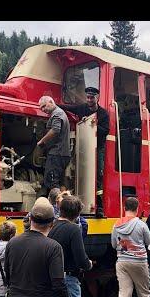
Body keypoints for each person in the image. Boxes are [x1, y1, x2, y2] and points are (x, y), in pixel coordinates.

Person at [59, 87, 110, 218]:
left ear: (97, 98)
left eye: (91, 97)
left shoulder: (104, 114)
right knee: (80, 173)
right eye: (87, 97)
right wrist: (55, 105)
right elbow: (69, 108)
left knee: (98, 176)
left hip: (98, 149)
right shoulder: (82, 108)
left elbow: (106, 131)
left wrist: (94, 125)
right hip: (83, 146)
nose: (89, 100)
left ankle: (99, 207)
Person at [111, 196, 150, 297]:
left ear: (124, 208)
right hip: (139, 262)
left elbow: (114, 245)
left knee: (124, 295)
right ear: (137, 209)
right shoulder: (141, 225)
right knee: (143, 293)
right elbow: (149, 243)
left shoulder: (116, 224)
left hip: (122, 262)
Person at [37, 96, 71, 196]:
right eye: (41, 108)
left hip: (56, 154)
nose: (43, 110)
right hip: (63, 154)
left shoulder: (57, 113)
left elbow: (55, 129)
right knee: (61, 182)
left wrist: (41, 142)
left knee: (52, 182)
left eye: (44, 106)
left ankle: (56, 209)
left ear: (51, 102)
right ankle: (65, 206)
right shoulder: (61, 113)